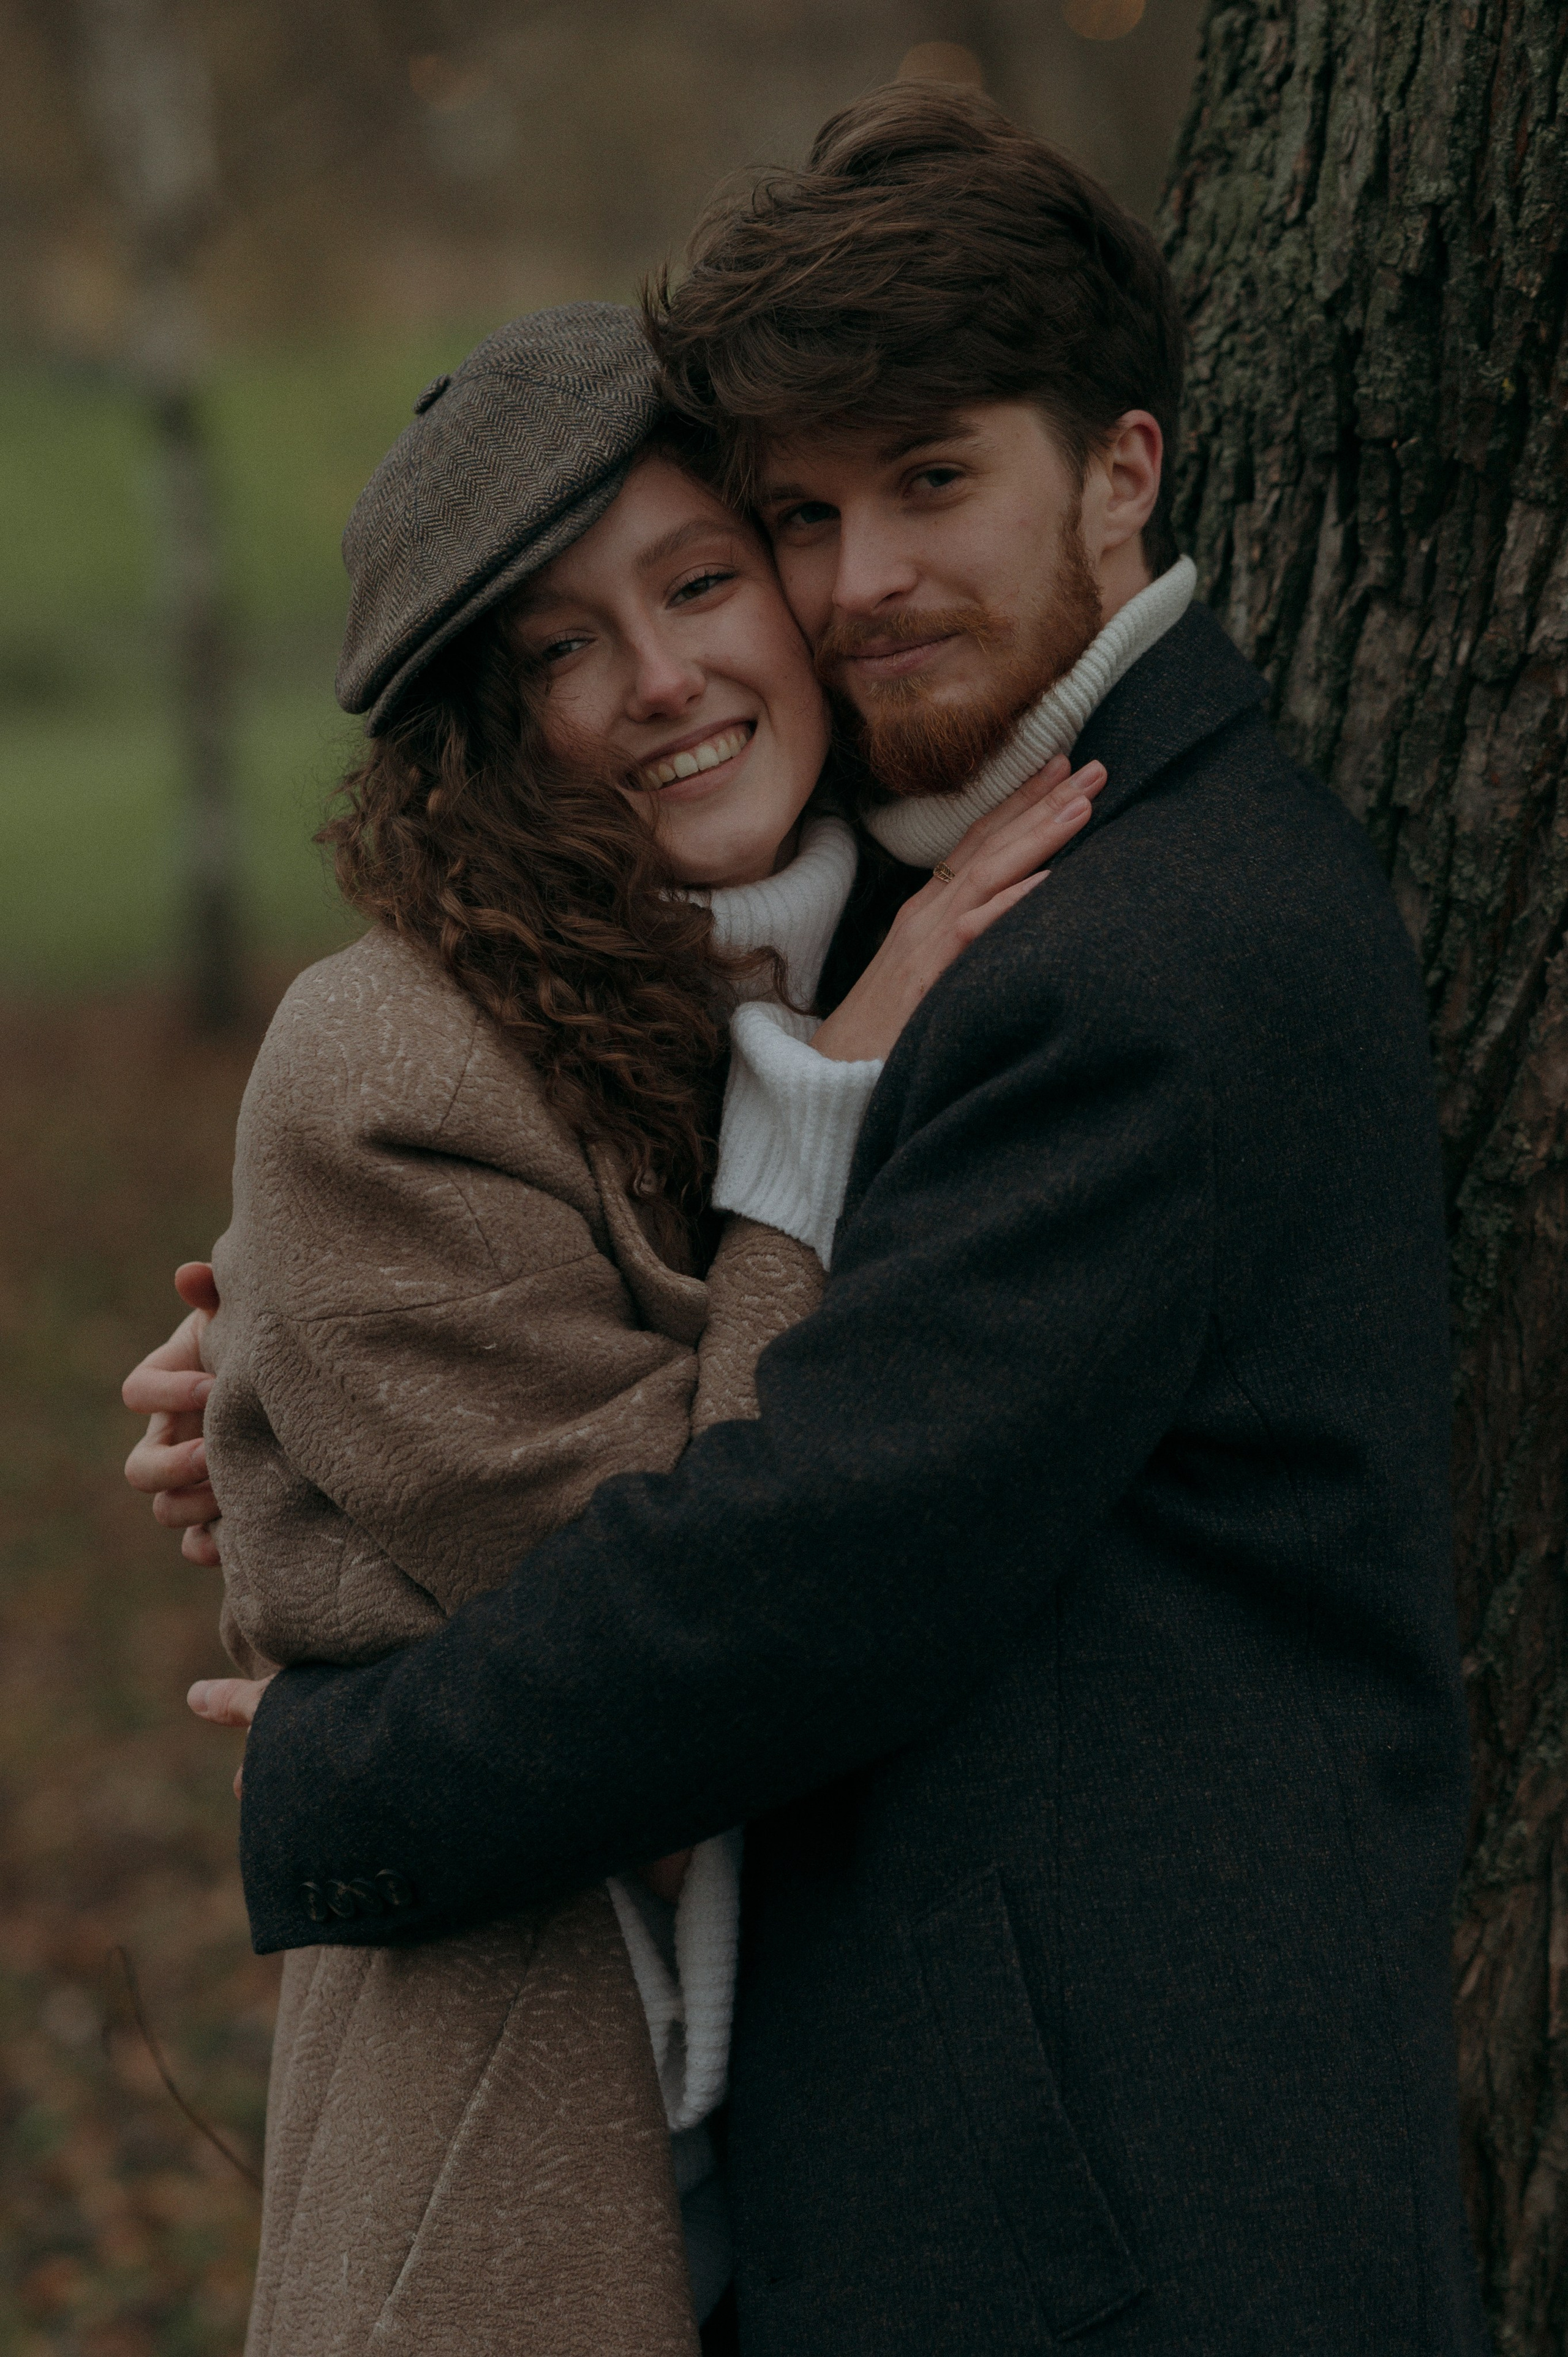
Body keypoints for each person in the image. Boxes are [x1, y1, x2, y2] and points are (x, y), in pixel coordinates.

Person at [127, 85, 1487, 2357]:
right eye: (804, 517)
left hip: (1136, 2218)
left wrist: (337, 1775)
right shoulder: (949, 889)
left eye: (932, 483)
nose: (857, 586)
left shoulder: (1139, 949)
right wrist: (285, 1356)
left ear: (1124, 472)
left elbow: (808, 1570)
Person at [133, 298, 1096, 2357]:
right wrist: (823, 1107)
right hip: (538, 2161)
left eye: (701, 583)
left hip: (892, 2153)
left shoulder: (924, 949)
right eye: (565, 648)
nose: (665, 681)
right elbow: (699, 1610)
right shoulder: (389, 1058)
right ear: (486, 732)